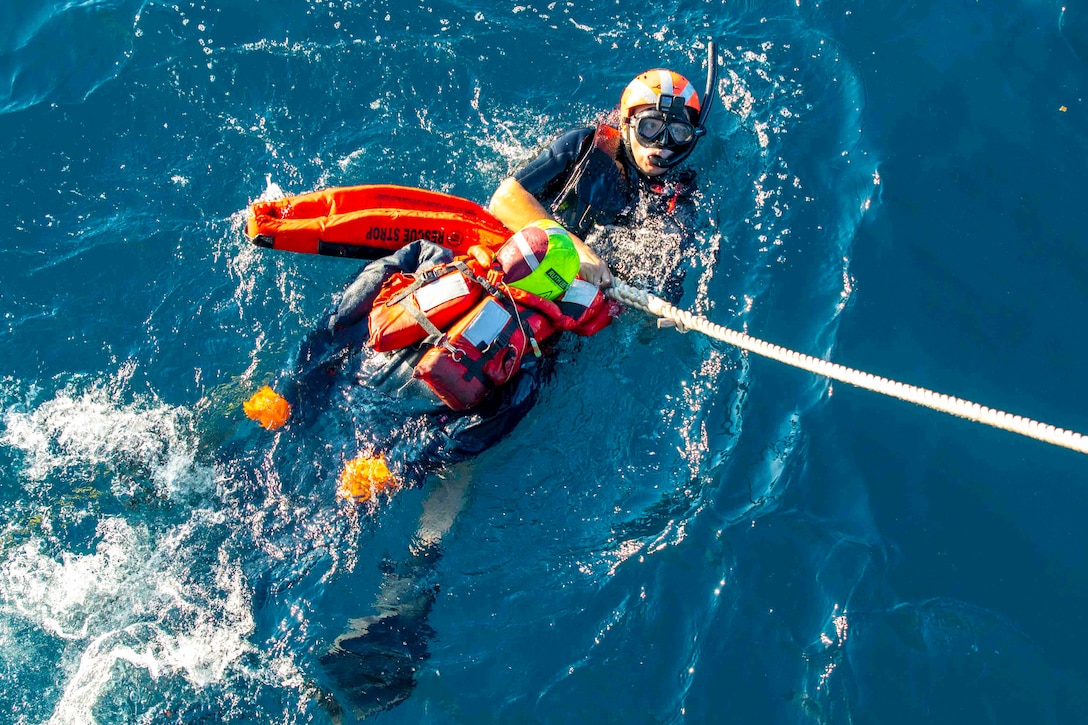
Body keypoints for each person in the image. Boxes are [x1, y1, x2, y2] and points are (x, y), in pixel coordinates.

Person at [488, 41, 718, 296]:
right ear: (626, 124)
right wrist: (577, 249)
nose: (661, 145)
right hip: (525, 256)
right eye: (649, 127)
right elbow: (504, 198)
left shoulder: (678, 194)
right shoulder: (583, 146)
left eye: (677, 133)